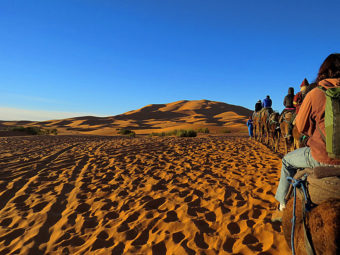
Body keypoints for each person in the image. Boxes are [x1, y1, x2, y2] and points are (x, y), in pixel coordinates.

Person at [272, 53, 340, 222]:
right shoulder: (301, 93)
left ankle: (281, 205)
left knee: (287, 161)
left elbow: (300, 128)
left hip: (322, 158)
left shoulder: (312, 93)